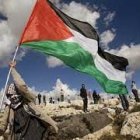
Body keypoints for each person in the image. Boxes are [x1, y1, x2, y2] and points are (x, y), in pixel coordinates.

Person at [0, 61, 58, 140]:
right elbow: (3, 125)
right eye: (9, 95)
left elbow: (21, 86)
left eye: (13, 93)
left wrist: (13, 70)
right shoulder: (9, 107)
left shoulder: (27, 100)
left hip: (37, 132)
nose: (11, 97)